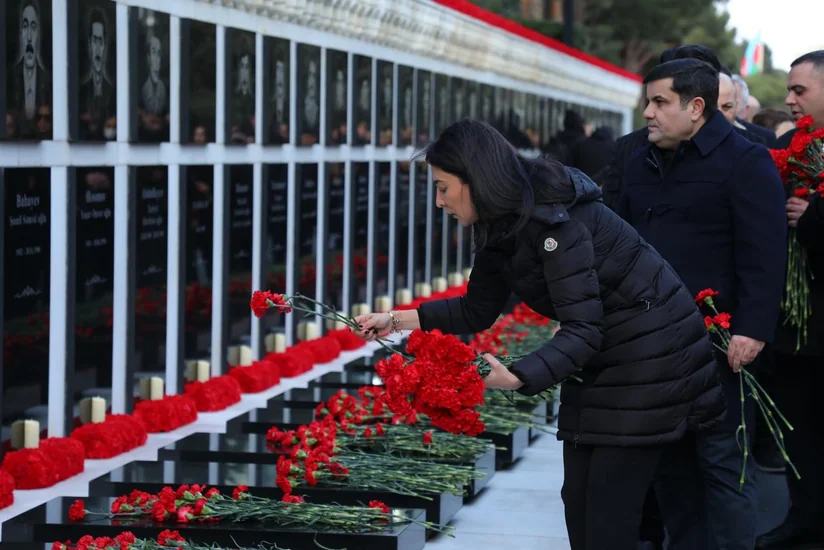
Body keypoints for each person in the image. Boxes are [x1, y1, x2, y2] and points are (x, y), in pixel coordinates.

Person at [354, 118, 725, 550]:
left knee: (608, 516)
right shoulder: (501, 222)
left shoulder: (553, 223)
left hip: (653, 361)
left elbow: (583, 328)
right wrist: (395, 320)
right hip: (605, 361)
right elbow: (478, 308)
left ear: (475, 179)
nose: (439, 201)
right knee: (579, 504)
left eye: (443, 187)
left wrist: (519, 376)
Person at [617, 58, 787, 550]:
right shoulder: (641, 160)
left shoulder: (744, 160)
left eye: (659, 102)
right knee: (670, 470)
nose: (648, 113)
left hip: (720, 347)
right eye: (647, 101)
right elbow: (620, 247)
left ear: (696, 107)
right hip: (651, 348)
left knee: (724, 470)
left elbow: (765, 253)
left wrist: (752, 330)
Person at [756, 50, 824, 550]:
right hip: (801, 330)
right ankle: (803, 522)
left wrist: (814, 215)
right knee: (802, 437)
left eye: (800, 90)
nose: (789, 99)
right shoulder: (794, 145)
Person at [602, 45, 767, 211]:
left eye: (660, 101)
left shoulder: (750, 156)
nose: (648, 113)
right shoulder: (631, 151)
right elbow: (613, 220)